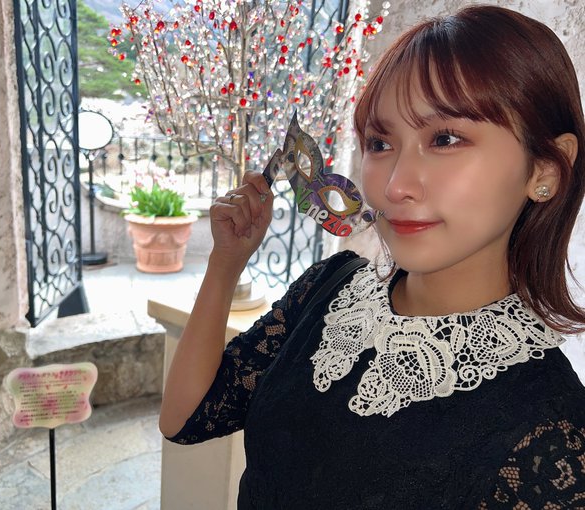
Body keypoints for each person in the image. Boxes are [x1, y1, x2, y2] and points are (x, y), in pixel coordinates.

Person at [159, 5, 585, 509]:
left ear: (545, 170)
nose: (396, 185)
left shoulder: (549, 429)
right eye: (380, 143)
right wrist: (226, 261)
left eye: (445, 139)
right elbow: (185, 420)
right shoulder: (331, 288)